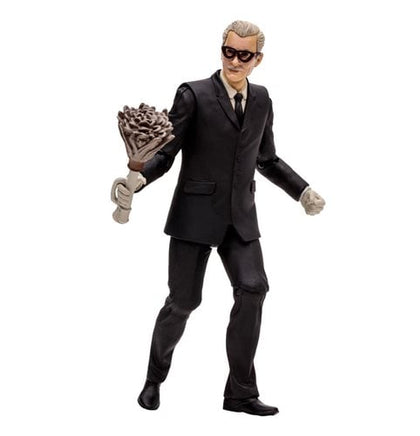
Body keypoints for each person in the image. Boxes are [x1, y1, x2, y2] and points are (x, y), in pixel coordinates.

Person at [117, 20, 325, 416]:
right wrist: (139, 180)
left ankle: (240, 393)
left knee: (254, 288)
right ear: (222, 50)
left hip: (240, 217)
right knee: (183, 302)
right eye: (229, 51)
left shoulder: (261, 99)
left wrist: (302, 191)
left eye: (244, 55)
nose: (234, 60)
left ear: (258, 59)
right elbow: (166, 151)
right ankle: (154, 379)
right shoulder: (193, 94)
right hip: (194, 215)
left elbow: (267, 159)